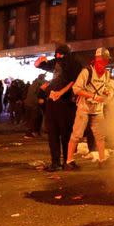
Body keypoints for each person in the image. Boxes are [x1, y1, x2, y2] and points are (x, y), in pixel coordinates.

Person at [64, 48, 114, 169]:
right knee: (76, 135)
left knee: (100, 136)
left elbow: (107, 88)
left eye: (107, 61)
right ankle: (69, 161)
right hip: (84, 108)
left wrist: (107, 92)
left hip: (97, 109)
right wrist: (93, 96)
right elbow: (76, 89)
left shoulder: (107, 74)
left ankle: (102, 160)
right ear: (97, 60)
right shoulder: (87, 72)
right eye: (103, 60)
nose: (105, 63)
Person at [35, 43, 83, 172]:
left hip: (60, 102)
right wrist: (40, 60)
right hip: (58, 102)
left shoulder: (67, 62)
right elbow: (39, 65)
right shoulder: (64, 61)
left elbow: (74, 81)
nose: (58, 56)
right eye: (57, 54)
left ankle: (61, 162)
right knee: (58, 133)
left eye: (59, 54)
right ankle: (61, 162)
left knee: (60, 133)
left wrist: (60, 93)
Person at [23, 74, 47, 138]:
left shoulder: (34, 83)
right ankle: (29, 133)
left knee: (35, 118)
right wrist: (38, 101)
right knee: (33, 119)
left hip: (29, 103)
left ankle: (35, 132)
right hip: (33, 104)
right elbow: (33, 95)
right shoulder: (40, 83)